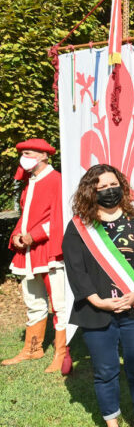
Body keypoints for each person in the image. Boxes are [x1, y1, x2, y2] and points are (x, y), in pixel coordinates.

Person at [62, 164, 134, 427]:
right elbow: (76, 269)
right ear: (90, 192)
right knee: (105, 371)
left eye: (112, 185)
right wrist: (97, 301)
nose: (109, 191)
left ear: (121, 185)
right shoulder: (78, 227)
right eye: (101, 188)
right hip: (96, 311)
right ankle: (112, 423)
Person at [2, 138, 68, 373]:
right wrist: (17, 235)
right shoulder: (30, 182)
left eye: (28, 152)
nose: (24, 157)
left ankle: (62, 354)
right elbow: (26, 216)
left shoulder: (57, 180)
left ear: (43, 156)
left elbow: (62, 215)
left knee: (59, 303)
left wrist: (37, 234)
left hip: (50, 250)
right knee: (33, 301)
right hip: (29, 252)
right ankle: (33, 348)